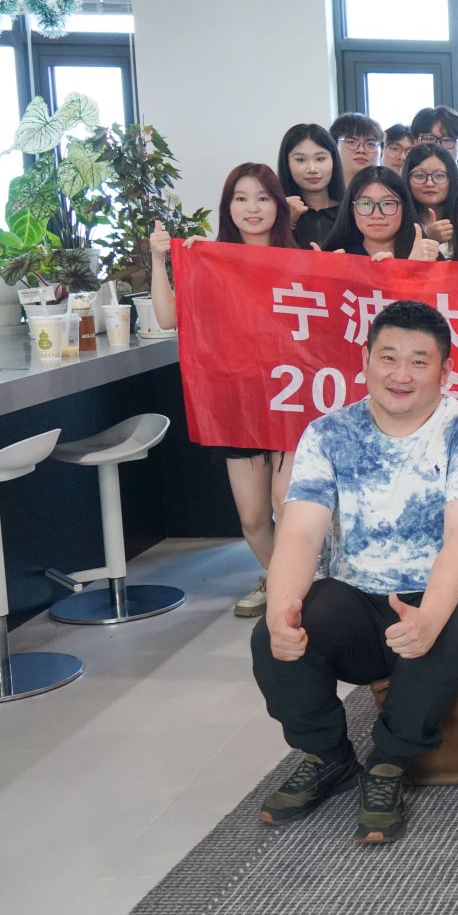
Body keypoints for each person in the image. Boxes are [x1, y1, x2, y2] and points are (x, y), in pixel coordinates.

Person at [251, 300, 458, 844]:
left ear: (445, 370)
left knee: (446, 631)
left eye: (419, 361)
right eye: (388, 357)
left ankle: (387, 764)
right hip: (358, 596)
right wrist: (279, 611)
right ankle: (327, 756)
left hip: (457, 596)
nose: (401, 374)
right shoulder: (328, 433)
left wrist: (429, 617)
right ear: (365, 361)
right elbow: (299, 533)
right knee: (278, 630)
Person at [148, 162, 299, 619]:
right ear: (227, 207)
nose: (252, 208)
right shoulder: (210, 258)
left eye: (263, 198)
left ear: (278, 205)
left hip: (294, 401)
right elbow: (168, 318)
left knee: (286, 504)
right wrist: (161, 259)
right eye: (241, 198)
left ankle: (292, 596)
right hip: (241, 404)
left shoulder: (303, 258)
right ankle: (281, 581)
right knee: (252, 518)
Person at [325, 166, 442, 262]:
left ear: (404, 207)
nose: (377, 215)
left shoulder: (426, 256)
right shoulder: (336, 258)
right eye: (366, 203)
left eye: (387, 203)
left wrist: (414, 267)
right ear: (351, 208)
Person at [277, 122, 345, 251]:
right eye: (300, 160)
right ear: (286, 163)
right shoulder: (275, 212)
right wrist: (286, 222)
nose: (312, 169)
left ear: (334, 160)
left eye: (320, 159)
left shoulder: (352, 211)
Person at [403, 143, 458, 244]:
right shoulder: (397, 221)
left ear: (452, 178)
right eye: (420, 176)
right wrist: (431, 239)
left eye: (439, 175)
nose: (429, 183)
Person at [330, 113, 384, 186]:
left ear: (381, 153)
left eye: (370, 144)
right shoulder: (320, 190)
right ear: (334, 146)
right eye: (351, 142)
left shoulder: (391, 191)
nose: (361, 150)